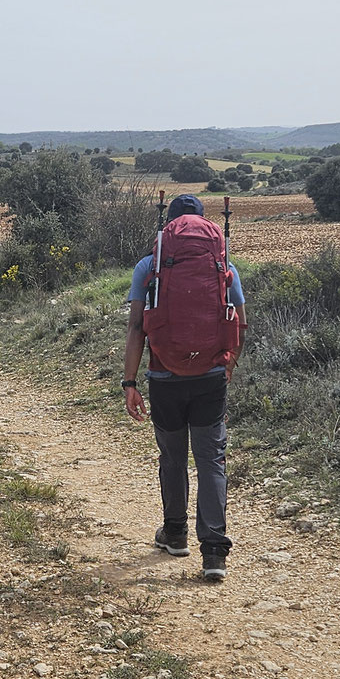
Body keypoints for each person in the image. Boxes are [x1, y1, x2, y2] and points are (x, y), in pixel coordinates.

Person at [121, 194, 246, 581]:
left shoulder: (149, 266)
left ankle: (175, 533)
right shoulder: (224, 265)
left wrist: (129, 382)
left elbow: (136, 327)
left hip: (164, 376)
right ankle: (214, 553)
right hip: (210, 375)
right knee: (211, 460)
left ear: (168, 226)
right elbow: (239, 321)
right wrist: (229, 365)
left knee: (173, 457)